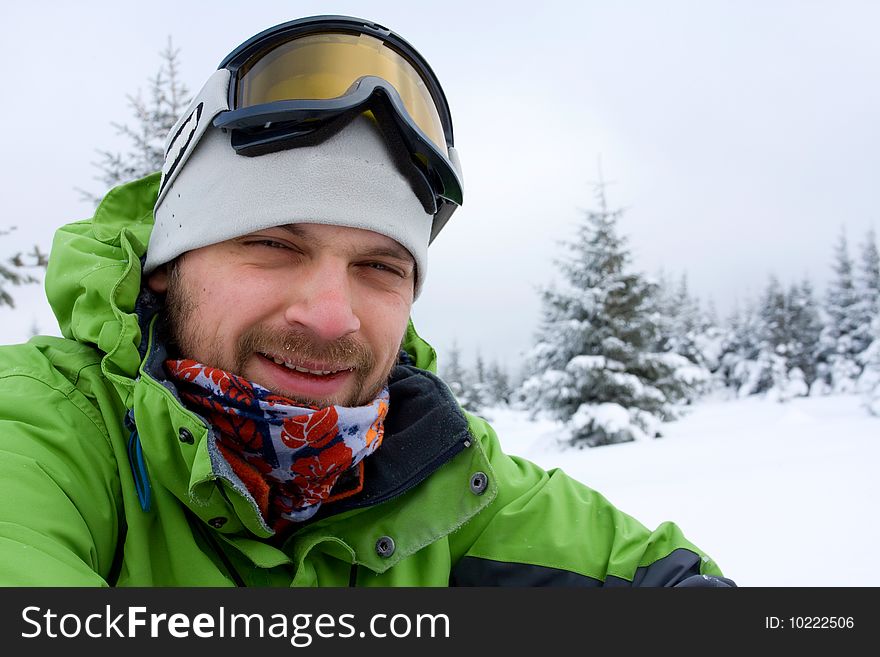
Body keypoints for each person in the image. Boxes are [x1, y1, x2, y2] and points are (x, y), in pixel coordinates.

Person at [0, 15, 734, 587]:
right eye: (274, 246)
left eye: (380, 266)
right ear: (166, 266)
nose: (329, 314)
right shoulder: (45, 430)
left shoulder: (433, 473)